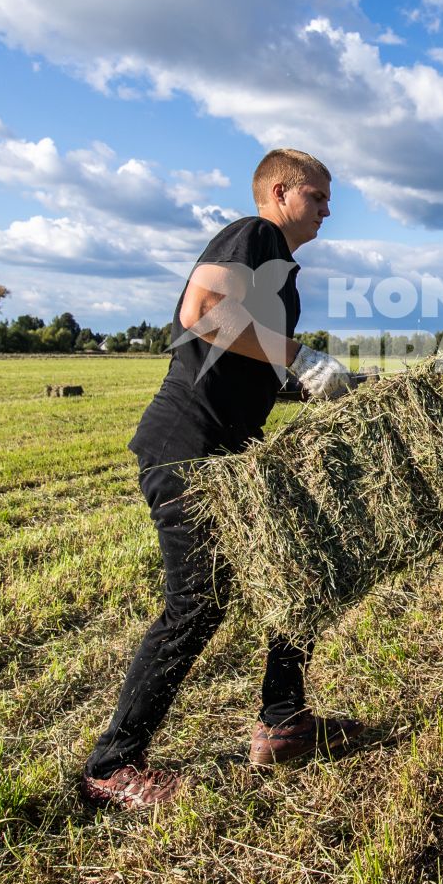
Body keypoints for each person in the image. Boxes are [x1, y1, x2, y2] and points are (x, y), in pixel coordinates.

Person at [80, 148, 359, 810]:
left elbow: (235, 356)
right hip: (187, 450)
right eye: (318, 197)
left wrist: (310, 383)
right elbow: (201, 312)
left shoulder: (280, 274)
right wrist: (299, 355)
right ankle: (110, 767)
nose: (326, 210)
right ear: (282, 192)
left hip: (229, 454)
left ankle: (283, 724)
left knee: (295, 573)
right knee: (196, 605)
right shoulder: (255, 233)